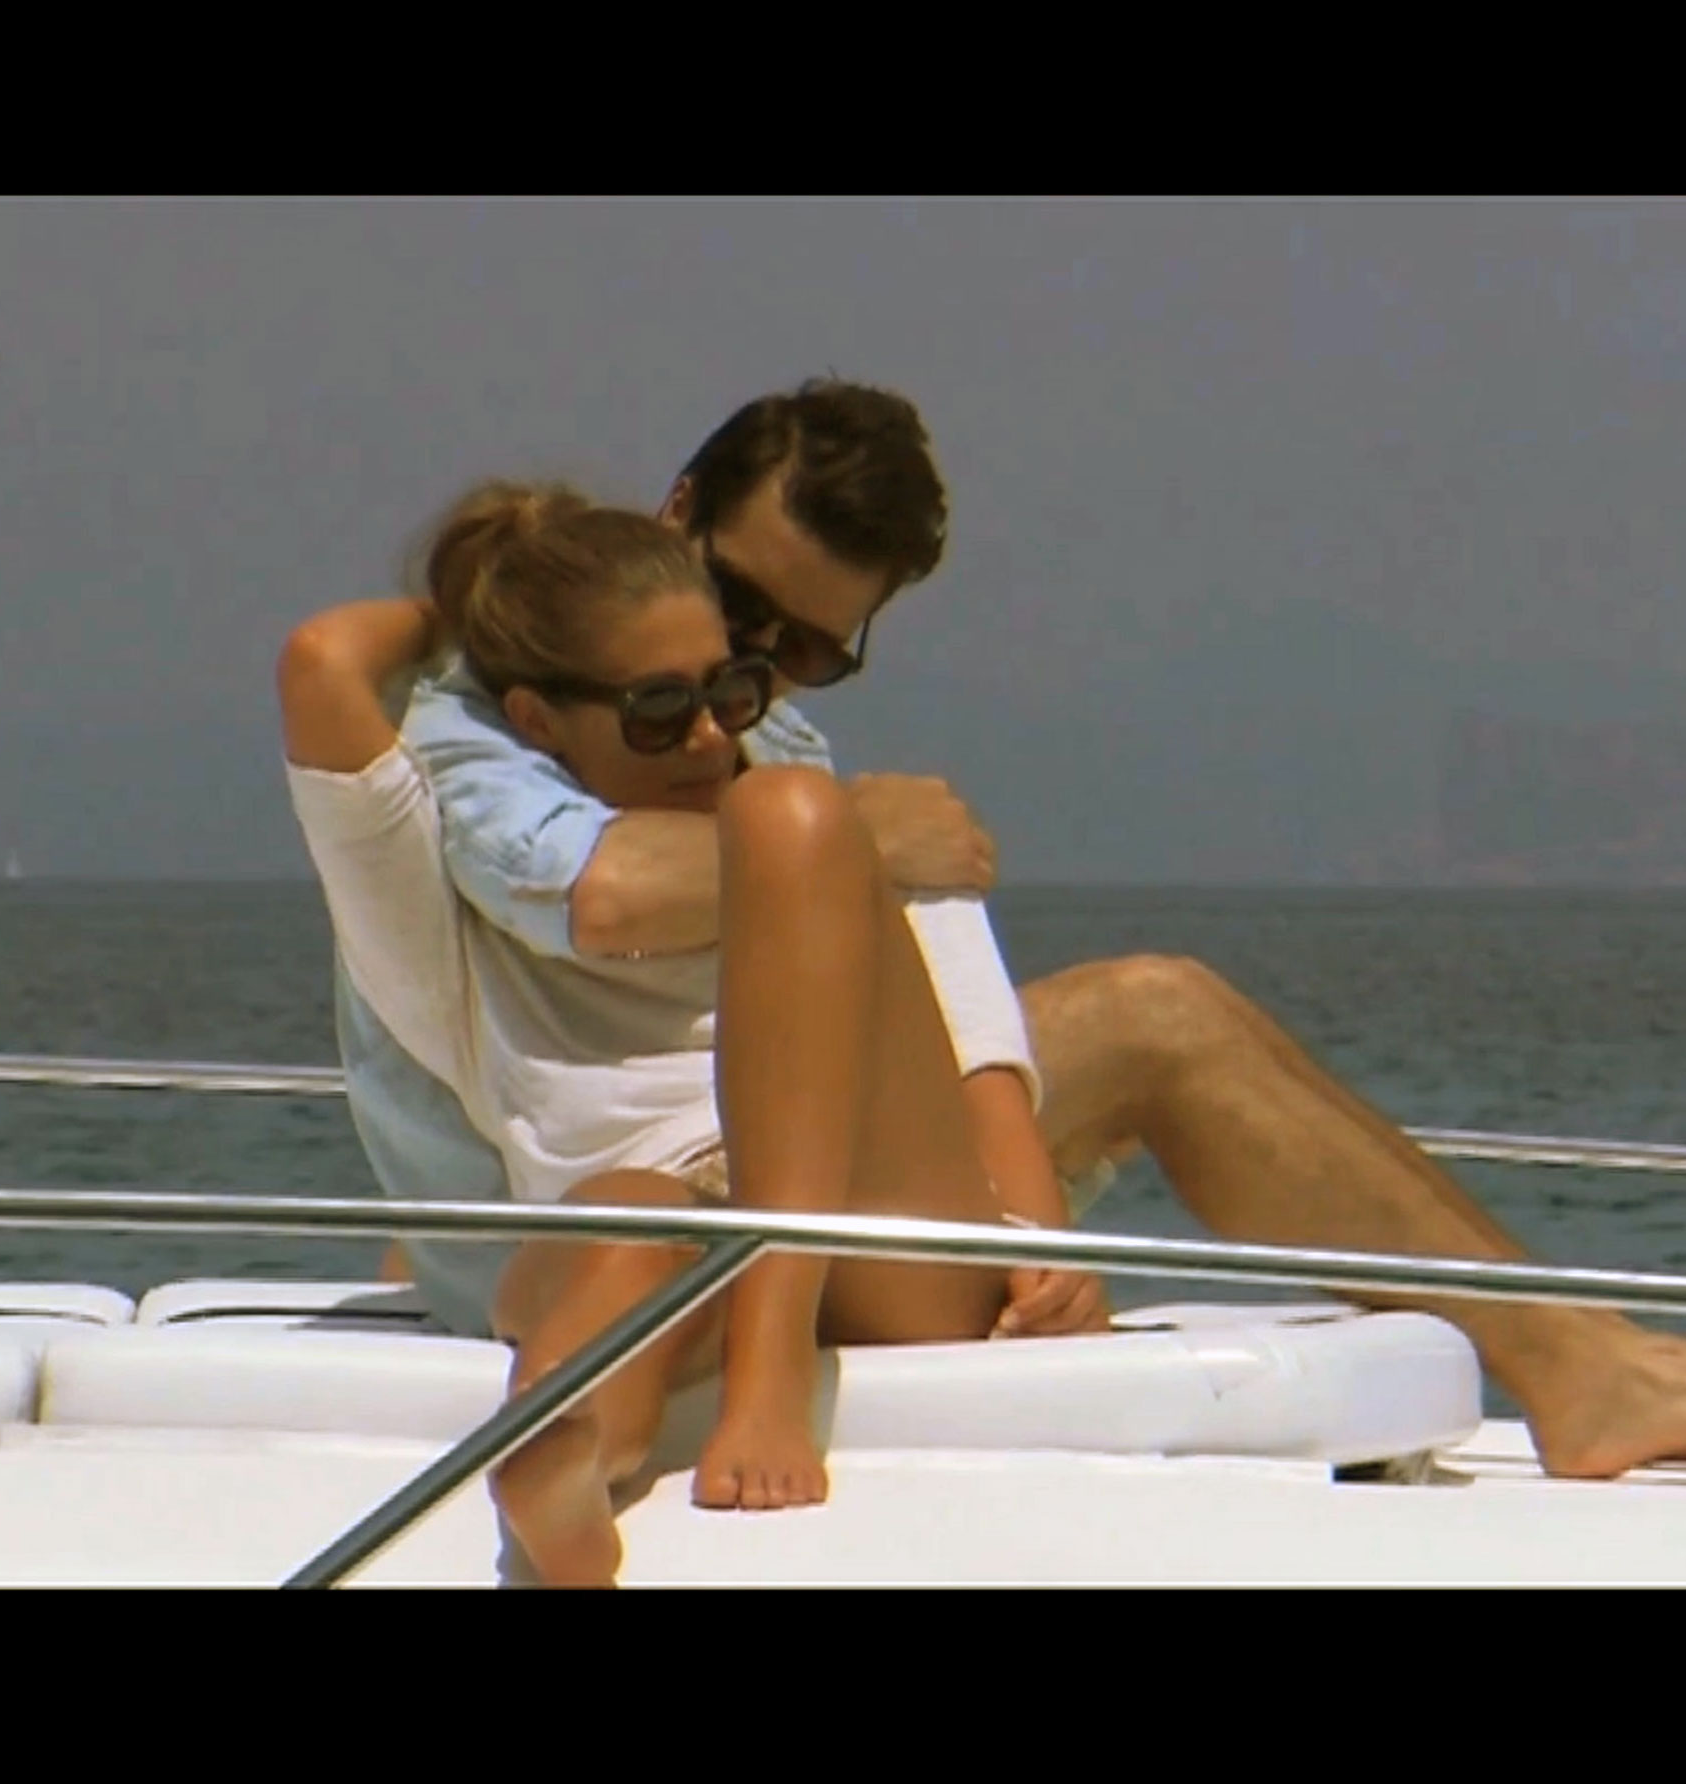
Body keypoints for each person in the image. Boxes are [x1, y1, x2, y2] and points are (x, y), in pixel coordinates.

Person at [355, 380, 1686, 1482]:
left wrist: (1031, 1236)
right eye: (748, 605)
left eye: (810, 648)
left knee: (1163, 1007)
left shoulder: (768, 736)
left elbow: (940, 982)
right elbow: (602, 895)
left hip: (786, 1143)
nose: (756, 667)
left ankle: (1575, 1359)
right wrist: (856, 841)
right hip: (590, 1208)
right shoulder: (487, 712)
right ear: (677, 515)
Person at [280, 483, 1101, 1586]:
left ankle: (763, 1368)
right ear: (536, 720)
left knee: (791, 816)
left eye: (729, 690)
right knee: (630, 1230)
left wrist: (1041, 1247)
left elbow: (966, 1033)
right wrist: (482, 602)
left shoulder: (807, 799)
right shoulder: (460, 864)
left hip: (868, 1235)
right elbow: (322, 661)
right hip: (658, 1218)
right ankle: (564, 1449)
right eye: (657, 710)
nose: (711, 736)